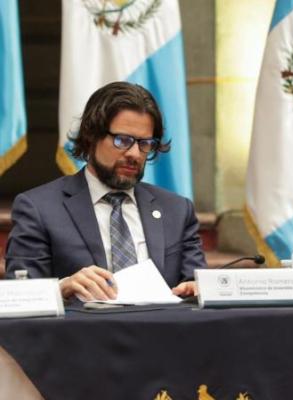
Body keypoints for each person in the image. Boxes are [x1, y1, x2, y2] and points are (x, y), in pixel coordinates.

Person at [4, 82, 206, 300]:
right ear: (91, 136)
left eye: (145, 143)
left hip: (160, 330)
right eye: (123, 140)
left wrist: (196, 288)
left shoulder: (176, 210)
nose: (135, 154)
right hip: (82, 332)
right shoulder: (39, 208)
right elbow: (20, 295)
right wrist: (62, 288)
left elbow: (196, 281)